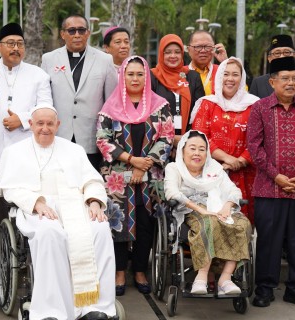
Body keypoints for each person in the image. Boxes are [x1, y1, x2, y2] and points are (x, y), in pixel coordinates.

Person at [0, 105, 116, 320]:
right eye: (40, 123)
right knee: (50, 233)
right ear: (30, 125)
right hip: (35, 209)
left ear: (58, 125)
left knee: (100, 228)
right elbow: (10, 188)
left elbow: (92, 180)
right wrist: (36, 203)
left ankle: (96, 307)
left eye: (50, 123)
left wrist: (94, 201)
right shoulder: (14, 152)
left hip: (76, 206)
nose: (45, 128)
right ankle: (51, 310)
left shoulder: (74, 150)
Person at [247, 56, 295, 309]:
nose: (291, 83)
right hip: (268, 188)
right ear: (272, 82)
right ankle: (265, 289)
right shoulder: (259, 109)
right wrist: (276, 176)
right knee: (268, 240)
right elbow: (254, 148)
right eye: (285, 79)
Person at [96, 56, 173, 296]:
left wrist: (143, 166)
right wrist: (132, 161)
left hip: (151, 178)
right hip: (117, 178)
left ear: (146, 76)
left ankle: (140, 270)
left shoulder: (160, 106)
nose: (135, 78)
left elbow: (167, 137)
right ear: (123, 76)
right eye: (131, 74)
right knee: (117, 223)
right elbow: (102, 140)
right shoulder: (111, 107)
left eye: (140, 74)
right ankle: (120, 271)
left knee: (146, 224)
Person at [0, 22, 52, 262]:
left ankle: (24, 253)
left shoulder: (38, 75)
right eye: (11, 44)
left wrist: (23, 120)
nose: (16, 48)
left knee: (22, 202)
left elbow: (46, 107)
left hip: (24, 151)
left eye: (20, 44)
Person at [164, 130, 251, 295]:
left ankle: (225, 278)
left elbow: (233, 190)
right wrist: (201, 209)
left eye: (202, 149)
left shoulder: (214, 168)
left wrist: (227, 206)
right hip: (190, 210)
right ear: (183, 150)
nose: (197, 153)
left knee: (243, 224)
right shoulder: (174, 168)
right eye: (192, 148)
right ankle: (201, 277)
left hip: (218, 207)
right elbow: (171, 192)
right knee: (208, 223)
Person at [41, 14, 118, 168]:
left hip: (91, 138)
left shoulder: (105, 60)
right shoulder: (49, 59)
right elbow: (44, 98)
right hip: (60, 135)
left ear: (88, 33)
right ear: (63, 34)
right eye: (72, 31)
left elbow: (111, 103)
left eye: (81, 30)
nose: (77, 35)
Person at [190, 57, 259, 225]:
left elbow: (259, 138)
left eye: (235, 74)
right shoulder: (208, 104)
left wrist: (241, 161)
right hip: (213, 171)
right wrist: (227, 160)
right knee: (215, 221)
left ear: (241, 79)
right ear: (219, 77)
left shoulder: (254, 105)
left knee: (243, 224)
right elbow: (200, 137)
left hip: (247, 173)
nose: (230, 78)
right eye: (225, 74)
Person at [151, 34, 205, 143]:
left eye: (177, 52)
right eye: (168, 52)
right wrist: (170, 139)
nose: (173, 56)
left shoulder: (192, 76)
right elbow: (148, 112)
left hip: (189, 141)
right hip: (158, 141)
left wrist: (187, 139)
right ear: (161, 54)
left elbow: (201, 112)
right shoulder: (153, 76)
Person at [249, 35, 295, 100]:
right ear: (269, 58)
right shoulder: (258, 83)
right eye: (277, 53)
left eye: (286, 52)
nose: (282, 56)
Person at [186, 30, 228, 96]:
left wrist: (225, 63)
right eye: (198, 47)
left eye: (208, 47)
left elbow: (240, 92)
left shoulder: (222, 71)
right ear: (189, 50)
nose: (203, 50)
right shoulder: (181, 73)